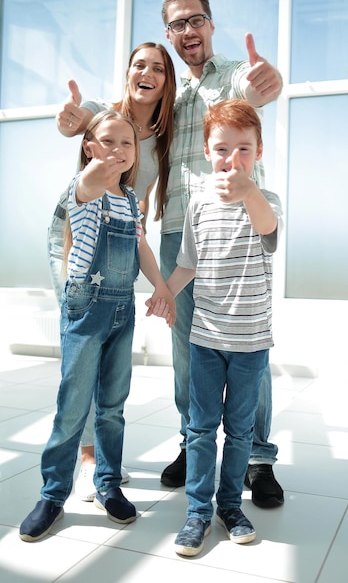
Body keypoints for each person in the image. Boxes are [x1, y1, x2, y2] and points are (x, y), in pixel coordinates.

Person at [20, 110, 176, 542]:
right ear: (89, 147)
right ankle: (53, 495)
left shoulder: (129, 201)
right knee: (73, 407)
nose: (118, 151)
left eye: (127, 144)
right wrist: (95, 169)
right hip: (86, 310)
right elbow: (88, 182)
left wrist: (162, 288)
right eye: (107, 141)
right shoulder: (82, 190)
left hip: (122, 310)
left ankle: (107, 484)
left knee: (112, 406)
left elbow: (141, 246)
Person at [159, 0, 284, 508]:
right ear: (169, 34)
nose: (189, 31)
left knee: (247, 342)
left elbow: (259, 89)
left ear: (211, 25)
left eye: (197, 21)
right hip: (178, 226)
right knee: (190, 351)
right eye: (178, 25)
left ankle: (257, 457)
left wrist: (268, 80)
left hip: (235, 221)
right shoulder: (164, 94)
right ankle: (196, 444)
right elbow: (123, 115)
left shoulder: (233, 73)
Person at [49, 42, 176, 501]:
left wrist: (160, 283)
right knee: (79, 349)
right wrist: (71, 120)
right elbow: (79, 135)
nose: (148, 73)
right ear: (128, 73)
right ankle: (84, 457)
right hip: (78, 230)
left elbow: (140, 213)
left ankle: (105, 461)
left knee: (112, 378)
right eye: (139, 65)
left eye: (158, 68)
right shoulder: (105, 117)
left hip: (123, 228)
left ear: (166, 81)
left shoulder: (164, 135)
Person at [164, 99, 283, 556]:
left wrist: (249, 191)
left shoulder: (265, 201)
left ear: (259, 153)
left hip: (251, 343)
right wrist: (163, 292)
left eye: (245, 149)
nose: (232, 158)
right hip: (206, 339)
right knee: (199, 428)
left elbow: (269, 234)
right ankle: (197, 512)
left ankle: (230, 506)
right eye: (222, 148)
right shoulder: (197, 203)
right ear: (206, 150)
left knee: (239, 432)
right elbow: (187, 265)